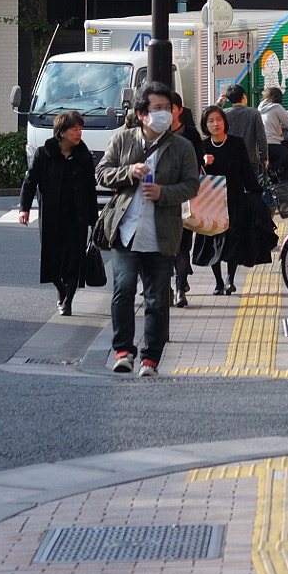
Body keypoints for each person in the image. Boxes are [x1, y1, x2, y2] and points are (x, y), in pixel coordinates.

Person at [96, 83, 200, 376]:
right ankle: (123, 352)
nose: (164, 114)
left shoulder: (182, 147)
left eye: (168, 108)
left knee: (156, 298)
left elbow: (192, 185)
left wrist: (163, 193)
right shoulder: (122, 139)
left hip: (161, 233)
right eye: (157, 109)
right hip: (125, 231)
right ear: (141, 114)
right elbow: (102, 172)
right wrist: (128, 172)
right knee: (123, 290)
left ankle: (150, 358)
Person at [19, 110, 99, 316]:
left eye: (80, 128)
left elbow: (90, 188)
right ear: (61, 132)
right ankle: (61, 290)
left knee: (75, 260)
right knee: (52, 260)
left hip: (77, 217)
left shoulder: (83, 155)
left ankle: (68, 301)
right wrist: (24, 208)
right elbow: (30, 182)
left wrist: (93, 219)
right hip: (52, 218)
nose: (79, 132)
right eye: (75, 129)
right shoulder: (44, 153)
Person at [190, 103, 262, 295]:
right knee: (213, 240)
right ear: (205, 125)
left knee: (234, 239)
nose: (215, 124)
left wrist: (255, 192)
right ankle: (218, 282)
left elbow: (246, 169)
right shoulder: (203, 147)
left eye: (219, 119)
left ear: (225, 122)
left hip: (235, 199)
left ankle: (230, 279)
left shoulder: (237, 143)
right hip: (212, 202)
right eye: (211, 121)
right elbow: (194, 176)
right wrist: (202, 163)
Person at [169, 94, 201, 310]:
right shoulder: (154, 133)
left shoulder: (190, 133)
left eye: (169, 107)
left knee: (182, 246)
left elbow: (199, 160)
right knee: (165, 246)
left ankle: (180, 288)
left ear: (179, 109)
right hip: (160, 198)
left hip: (184, 197)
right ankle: (168, 287)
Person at [221, 84, 269, 182]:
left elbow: (209, 115)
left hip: (230, 161)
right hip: (250, 160)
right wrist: (264, 158)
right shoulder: (254, 113)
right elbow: (261, 137)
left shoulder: (223, 114)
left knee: (233, 192)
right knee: (251, 193)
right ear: (243, 96)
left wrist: (219, 104)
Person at [259, 87, 288, 182]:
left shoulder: (260, 109)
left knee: (270, 168)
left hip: (261, 146)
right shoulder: (276, 107)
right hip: (273, 144)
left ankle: (274, 183)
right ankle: (284, 190)